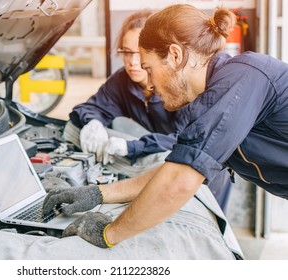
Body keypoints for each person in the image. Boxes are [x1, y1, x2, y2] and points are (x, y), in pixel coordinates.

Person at [43, 4, 288, 249]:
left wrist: (108, 233)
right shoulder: (210, 101)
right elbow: (173, 170)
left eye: (149, 69)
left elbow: (179, 182)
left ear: (175, 56)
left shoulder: (241, 78)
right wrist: (98, 193)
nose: (148, 84)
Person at [64, 10, 233, 211]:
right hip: (163, 165)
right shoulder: (122, 81)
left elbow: (185, 141)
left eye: (139, 53)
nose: (133, 62)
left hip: (206, 170)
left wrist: (133, 147)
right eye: (126, 52)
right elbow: (93, 107)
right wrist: (93, 121)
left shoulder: (180, 87)